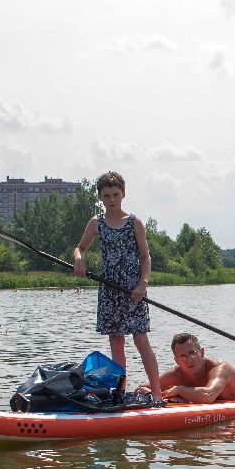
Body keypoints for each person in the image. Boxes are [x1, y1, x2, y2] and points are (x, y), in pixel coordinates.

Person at [73, 171, 163, 401]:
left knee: (141, 340)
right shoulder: (96, 223)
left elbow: (146, 258)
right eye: (106, 195)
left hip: (133, 290)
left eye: (115, 194)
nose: (111, 199)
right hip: (110, 289)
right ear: (100, 197)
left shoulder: (134, 222)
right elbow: (80, 248)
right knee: (116, 341)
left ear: (123, 194)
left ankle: (158, 393)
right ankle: (120, 393)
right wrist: (79, 259)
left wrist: (143, 284)